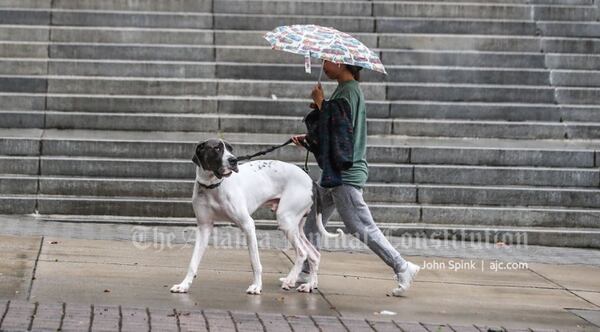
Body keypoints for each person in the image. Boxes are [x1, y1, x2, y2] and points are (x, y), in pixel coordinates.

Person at [290, 60, 420, 296]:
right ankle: (307, 271)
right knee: (313, 220)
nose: (323, 64)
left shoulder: (349, 90)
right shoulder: (344, 89)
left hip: (345, 174)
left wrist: (321, 104)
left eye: (326, 61)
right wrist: (310, 135)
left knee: (359, 225)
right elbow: (336, 130)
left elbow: (341, 130)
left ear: (340, 63)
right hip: (334, 173)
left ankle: (402, 266)